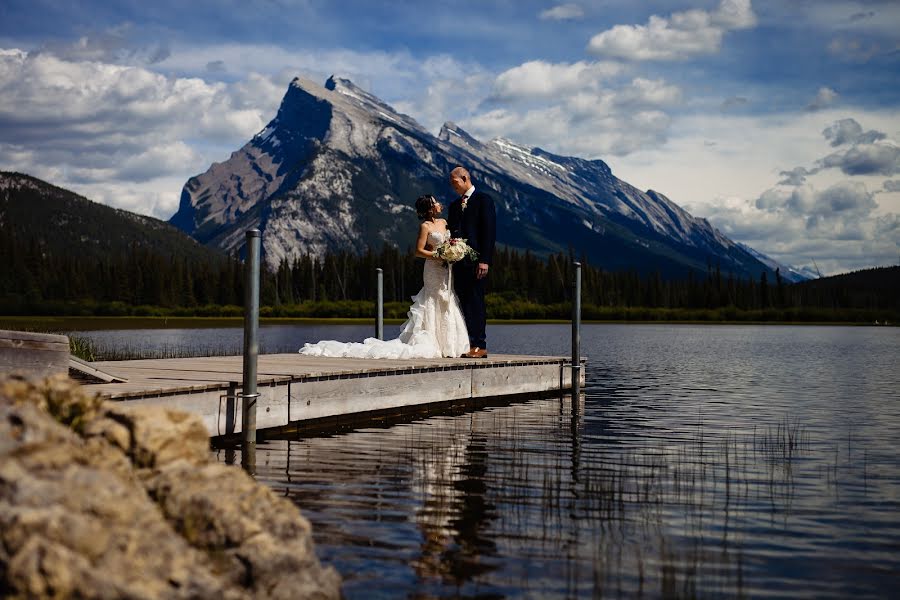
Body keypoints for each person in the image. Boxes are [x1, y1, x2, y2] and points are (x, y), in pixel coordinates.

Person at [299, 195, 470, 359]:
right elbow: (418, 251)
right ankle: (434, 344)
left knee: (447, 298)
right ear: (430, 208)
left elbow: (451, 241)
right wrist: (438, 256)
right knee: (432, 300)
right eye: (436, 202)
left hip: (446, 270)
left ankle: (450, 345)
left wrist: (452, 251)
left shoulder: (444, 223)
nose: (440, 204)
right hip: (433, 268)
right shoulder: (425, 226)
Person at [447, 166, 496, 358]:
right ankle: (466, 343)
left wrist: (485, 260)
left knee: (476, 302)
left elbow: (489, 232)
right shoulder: (453, 205)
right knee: (463, 303)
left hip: (477, 262)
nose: (453, 186)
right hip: (458, 262)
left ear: (465, 178)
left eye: (455, 182)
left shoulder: (484, 200)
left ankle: (479, 345)